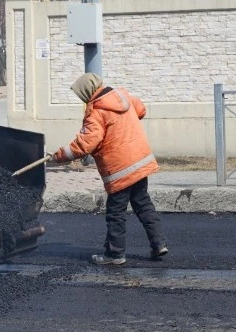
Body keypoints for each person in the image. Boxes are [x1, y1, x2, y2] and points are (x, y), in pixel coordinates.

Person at [52, 73, 168, 265]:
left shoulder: (96, 111)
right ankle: (159, 244)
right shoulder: (123, 97)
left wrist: (59, 156)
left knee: (116, 213)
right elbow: (141, 110)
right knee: (143, 204)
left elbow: (85, 144)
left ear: (86, 92)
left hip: (120, 169)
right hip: (140, 162)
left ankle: (115, 255)